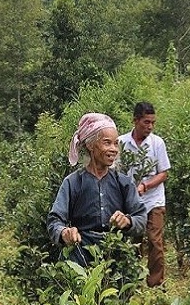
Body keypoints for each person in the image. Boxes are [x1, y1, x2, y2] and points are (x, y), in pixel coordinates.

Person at [47, 112, 147, 266]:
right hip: (80, 259)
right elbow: (54, 221)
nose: (114, 149)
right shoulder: (73, 183)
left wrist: (127, 221)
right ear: (90, 145)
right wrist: (64, 233)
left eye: (115, 143)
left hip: (116, 260)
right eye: (107, 143)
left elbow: (141, 218)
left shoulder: (123, 182)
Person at [118, 101, 171, 287]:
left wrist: (145, 185)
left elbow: (163, 173)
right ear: (135, 120)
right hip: (131, 202)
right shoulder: (122, 143)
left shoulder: (157, 143)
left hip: (154, 200)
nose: (150, 126)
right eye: (146, 122)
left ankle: (155, 284)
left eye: (152, 123)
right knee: (132, 241)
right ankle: (130, 281)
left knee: (155, 242)